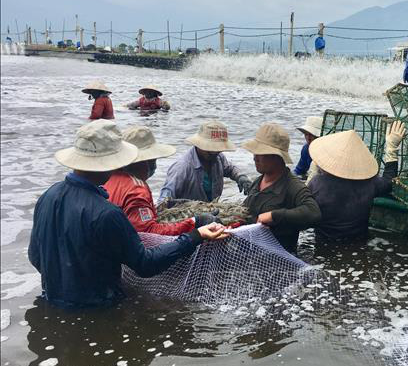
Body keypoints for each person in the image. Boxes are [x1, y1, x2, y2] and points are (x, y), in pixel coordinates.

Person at [28, 120, 227, 309]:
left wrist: (65, 281)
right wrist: (195, 236)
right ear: (109, 163)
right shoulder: (106, 213)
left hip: (51, 300)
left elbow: (35, 256)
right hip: (98, 309)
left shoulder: (48, 196)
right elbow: (145, 264)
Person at [105, 126, 218, 235]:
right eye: (152, 160)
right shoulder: (136, 189)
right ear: (140, 161)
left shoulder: (105, 177)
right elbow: (148, 233)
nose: (154, 164)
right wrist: (195, 221)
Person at [308, 121, 405, 242]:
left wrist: (311, 174)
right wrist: (392, 148)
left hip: (324, 245)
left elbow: (305, 211)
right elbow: (389, 182)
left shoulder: (317, 183)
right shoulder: (369, 183)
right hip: (358, 243)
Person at [242, 123, 321, 252]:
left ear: (276, 157)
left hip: (277, 258)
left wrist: (274, 216)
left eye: (260, 153)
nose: (254, 158)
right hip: (252, 251)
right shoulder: (258, 181)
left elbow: (313, 213)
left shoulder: (293, 186)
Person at [159, 120, 252, 203]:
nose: (214, 152)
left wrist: (240, 177)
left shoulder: (218, 158)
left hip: (211, 211)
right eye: (210, 149)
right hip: (188, 217)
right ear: (199, 144)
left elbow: (230, 169)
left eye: (217, 149)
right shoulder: (182, 167)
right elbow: (164, 200)